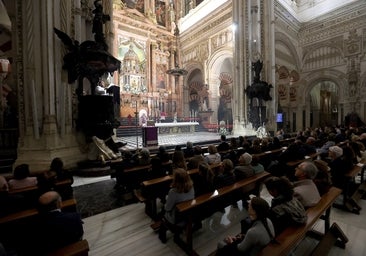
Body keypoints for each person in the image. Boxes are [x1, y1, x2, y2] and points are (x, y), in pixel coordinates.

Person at [158, 169, 194, 243]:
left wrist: (165, 204)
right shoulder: (191, 187)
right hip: (187, 214)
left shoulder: (173, 192)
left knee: (162, 213)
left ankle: (162, 237)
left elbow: (167, 208)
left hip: (176, 218)